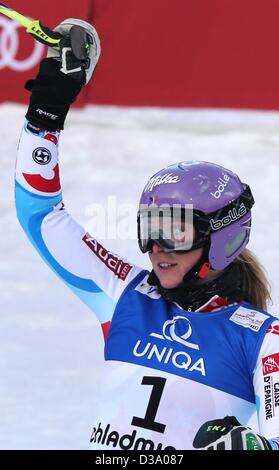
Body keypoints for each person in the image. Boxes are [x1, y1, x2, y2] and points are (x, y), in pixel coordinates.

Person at [15, 19, 279, 451]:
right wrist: (46, 112)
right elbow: (39, 214)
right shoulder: (125, 293)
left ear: (222, 238)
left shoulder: (263, 339)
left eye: (175, 232)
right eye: (150, 230)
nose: (158, 249)